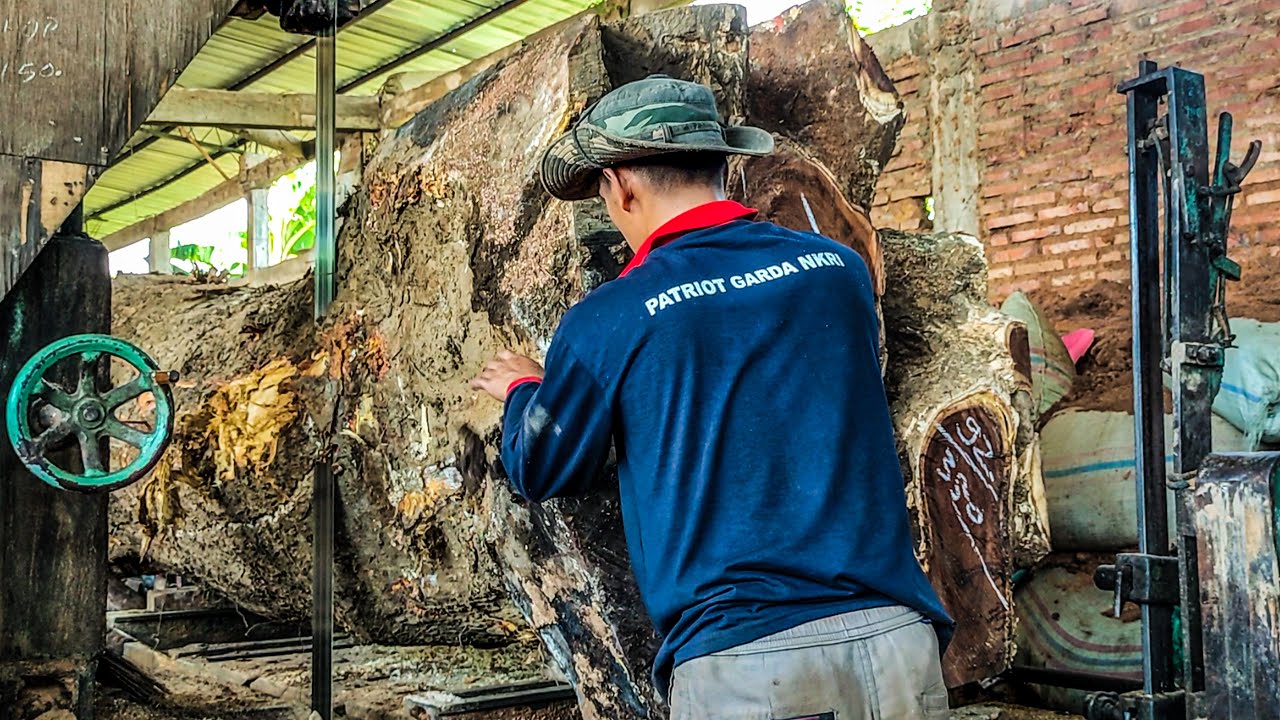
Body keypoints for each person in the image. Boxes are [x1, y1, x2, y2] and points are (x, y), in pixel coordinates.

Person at [470, 75, 954, 720]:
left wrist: (527, 387)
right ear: (724, 164)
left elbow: (544, 467)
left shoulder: (611, 315)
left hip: (749, 664)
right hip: (897, 640)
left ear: (621, 184)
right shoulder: (838, 271)